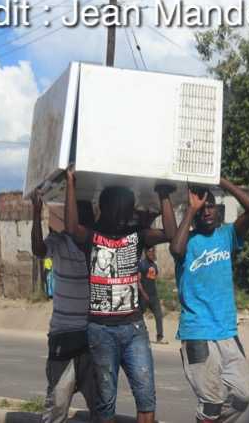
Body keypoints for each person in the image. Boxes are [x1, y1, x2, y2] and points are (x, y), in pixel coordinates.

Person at [65, 167, 177, 423]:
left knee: (147, 397)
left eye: (128, 208)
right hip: (100, 330)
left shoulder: (137, 236)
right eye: (121, 208)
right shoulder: (91, 237)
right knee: (105, 403)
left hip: (133, 329)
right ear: (104, 208)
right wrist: (71, 182)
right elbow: (71, 227)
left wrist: (164, 194)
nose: (125, 213)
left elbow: (170, 234)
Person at [169, 178, 249, 423]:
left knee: (243, 395)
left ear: (218, 209)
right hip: (197, 332)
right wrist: (191, 208)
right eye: (202, 207)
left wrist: (221, 181)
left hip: (227, 333)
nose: (206, 210)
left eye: (210, 205)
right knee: (211, 402)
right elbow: (175, 251)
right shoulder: (187, 241)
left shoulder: (227, 235)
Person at [32, 192, 98, 423]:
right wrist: (35, 214)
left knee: (100, 405)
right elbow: (38, 250)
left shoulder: (99, 245)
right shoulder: (59, 242)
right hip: (64, 335)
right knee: (58, 403)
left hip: (93, 337)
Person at [138, 246, 167, 344]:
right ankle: (142, 334)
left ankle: (160, 337)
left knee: (158, 315)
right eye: (149, 251)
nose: (151, 253)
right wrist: (143, 293)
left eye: (153, 251)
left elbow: (153, 280)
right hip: (143, 295)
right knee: (139, 316)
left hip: (153, 296)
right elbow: (138, 281)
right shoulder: (142, 264)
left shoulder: (154, 265)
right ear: (146, 252)